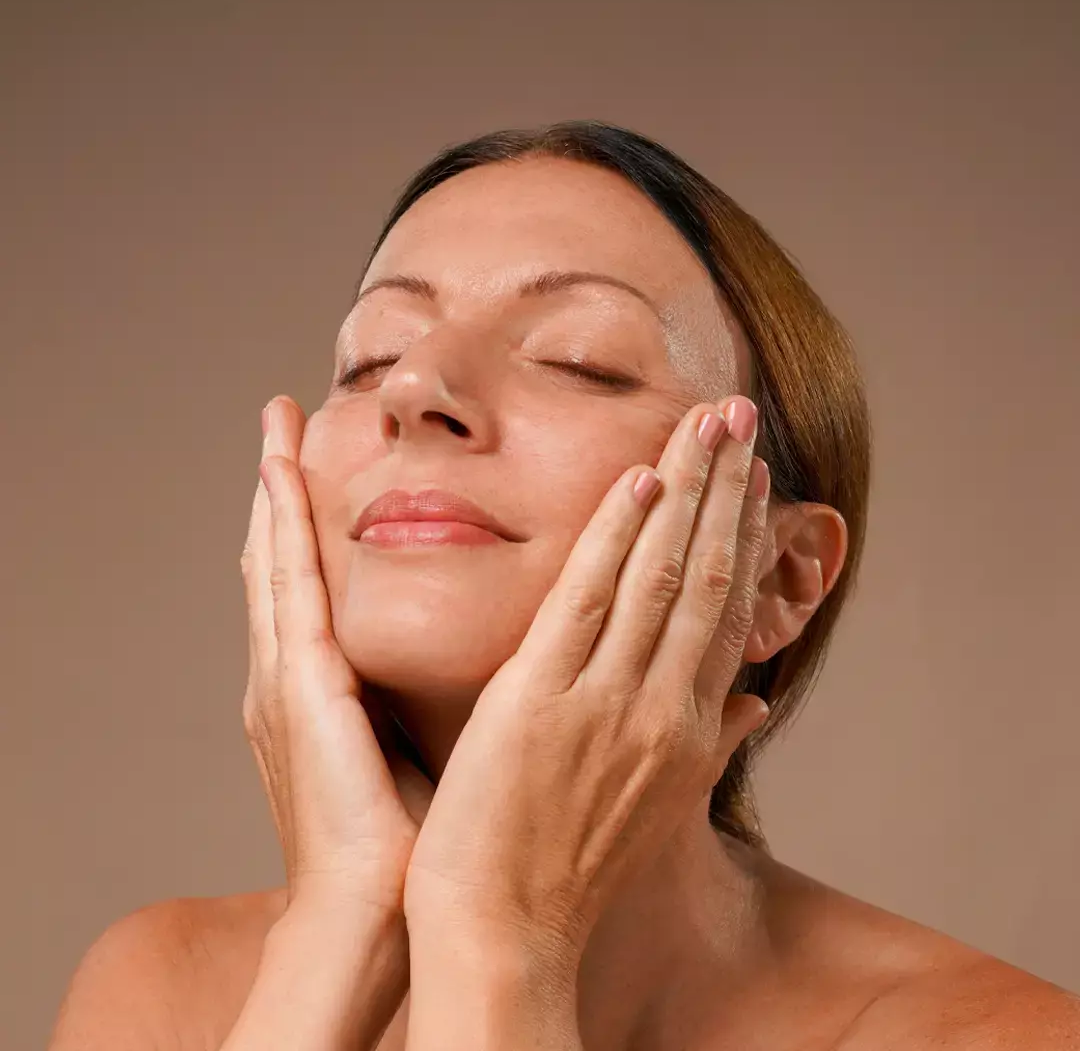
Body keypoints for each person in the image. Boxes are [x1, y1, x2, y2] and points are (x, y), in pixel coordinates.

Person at [48, 121, 1079, 1050]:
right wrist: (336, 931)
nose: (413, 390)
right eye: (370, 359)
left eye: (579, 359)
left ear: (778, 572)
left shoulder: (992, 1036)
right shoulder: (161, 990)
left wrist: (500, 940)